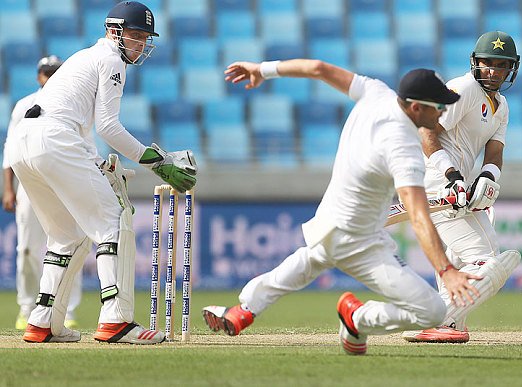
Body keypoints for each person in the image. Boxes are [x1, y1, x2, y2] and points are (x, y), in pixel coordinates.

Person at [203, 58, 485, 355]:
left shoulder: (377, 92)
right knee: (433, 312)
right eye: (438, 106)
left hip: (328, 220)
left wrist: (262, 69)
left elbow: (318, 69)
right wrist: (446, 270)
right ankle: (358, 318)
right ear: (416, 107)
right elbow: (417, 215)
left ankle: (245, 309)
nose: (442, 113)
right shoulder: (403, 145)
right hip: (359, 244)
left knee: (308, 261)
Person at [6, 1, 196, 344]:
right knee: (114, 221)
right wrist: (157, 160)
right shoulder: (110, 59)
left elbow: (78, 127)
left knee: (66, 236)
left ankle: (43, 321)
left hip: (26, 143)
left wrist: (97, 163)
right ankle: (117, 320)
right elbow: (108, 126)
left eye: (144, 38)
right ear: (114, 31)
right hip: (54, 140)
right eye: (135, 36)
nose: (139, 45)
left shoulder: (83, 57)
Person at [402, 31, 522, 344]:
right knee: (487, 258)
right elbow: (427, 132)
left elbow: (495, 152)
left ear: (512, 68)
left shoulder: (502, 106)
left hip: (463, 191)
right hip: (440, 185)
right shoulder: (464, 88)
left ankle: (451, 324)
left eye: (502, 65)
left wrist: (488, 178)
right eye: (488, 63)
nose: (494, 70)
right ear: (476, 62)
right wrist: (453, 175)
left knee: (458, 260)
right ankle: (437, 318)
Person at [2, 55, 85, 331]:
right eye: (46, 72)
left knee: (69, 245)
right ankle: (27, 307)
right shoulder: (24, 105)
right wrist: (8, 189)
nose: (50, 76)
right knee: (26, 248)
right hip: (28, 184)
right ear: (38, 76)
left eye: (55, 72)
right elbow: (10, 148)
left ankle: (66, 308)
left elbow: (84, 146)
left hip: (64, 182)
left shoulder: (74, 104)